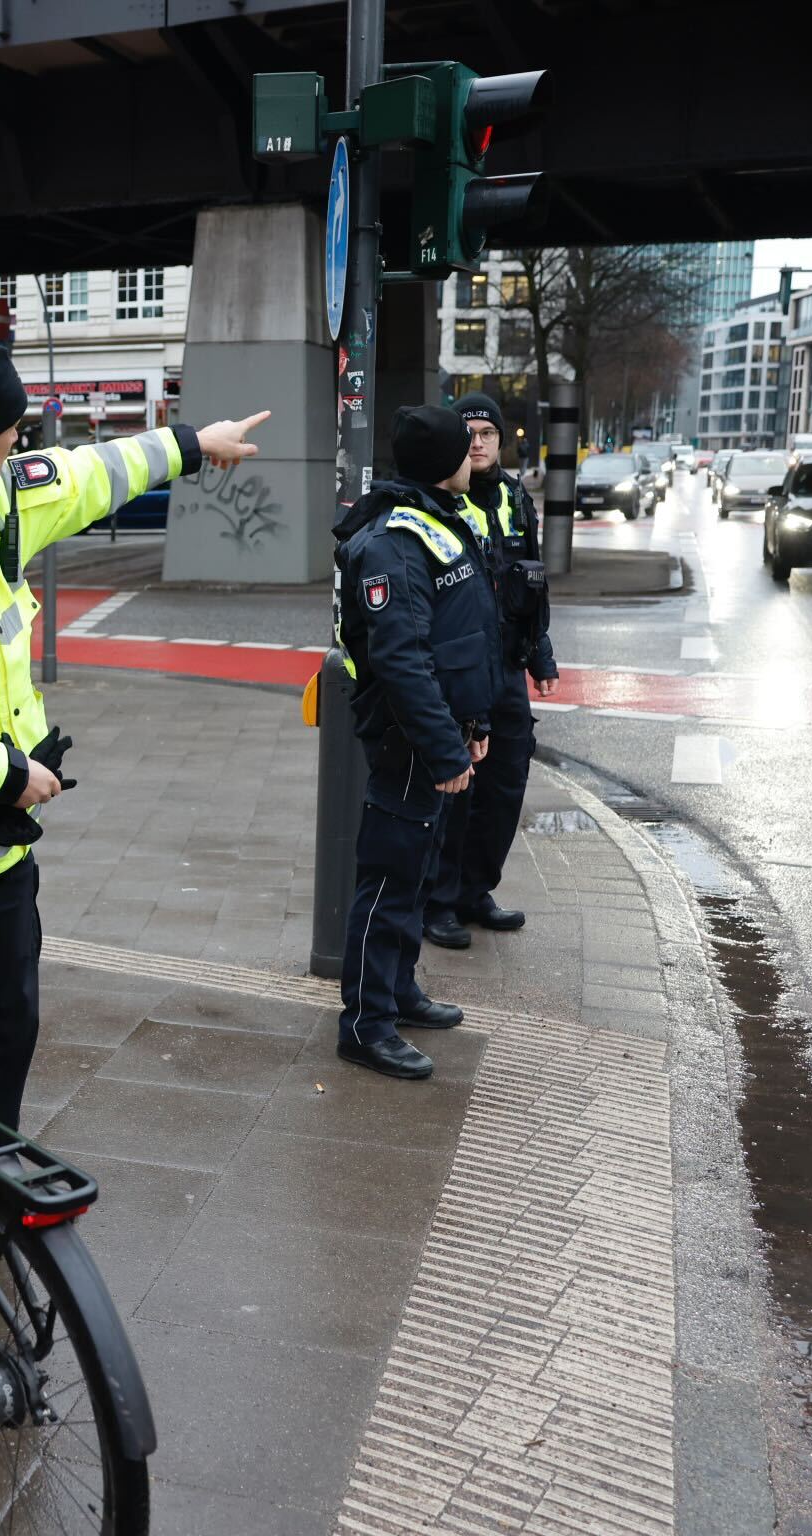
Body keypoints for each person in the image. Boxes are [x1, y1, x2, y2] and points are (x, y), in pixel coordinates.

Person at [0, 342, 270, 1130]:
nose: (23, 440)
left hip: (4, 846)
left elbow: (88, 473)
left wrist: (190, 445)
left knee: (8, 1034)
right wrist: (5, 776)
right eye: (11, 427)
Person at [330, 405, 503, 1081]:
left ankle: (397, 993)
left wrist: (474, 726)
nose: (474, 456)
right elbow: (402, 661)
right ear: (444, 462)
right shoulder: (395, 543)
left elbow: (462, 642)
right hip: (408, 742)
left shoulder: (434, 521)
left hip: (438, 736)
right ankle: (365, 1025)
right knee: (388, 884)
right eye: (466, 447)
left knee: (417, 873)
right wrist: (442, 748)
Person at [423, 391, 559, 950]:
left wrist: (541, 654)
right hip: (458, 672)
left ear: (502, 441)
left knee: (505, 785)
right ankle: (440, 900)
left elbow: (530, 584)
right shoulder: (440, 497)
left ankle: (476, 891)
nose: (477, 444)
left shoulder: (513, 497)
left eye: (488, 435)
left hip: (506, 668)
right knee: (457, 791)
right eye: (468, 434)